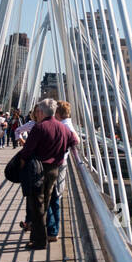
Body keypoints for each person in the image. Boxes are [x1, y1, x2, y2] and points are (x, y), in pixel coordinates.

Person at [18, 98, 79, 251]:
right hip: (54, 169)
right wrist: (62, 151)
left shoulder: (40, 128)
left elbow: (27, 151)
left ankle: (39, 241)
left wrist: (21, 164)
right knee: (46, 201)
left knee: (37, 204)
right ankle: (39, 236)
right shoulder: (63, 128)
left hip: (38, 169)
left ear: (43, 112)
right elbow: (75, 141)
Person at [46, 101, 76, 243]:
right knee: (54, 196)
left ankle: (53, 229)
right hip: (60, 162)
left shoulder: (63, 126)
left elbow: (75, 141)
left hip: (57, 163)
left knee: (53, 196)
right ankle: (53, 229)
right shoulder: (66, 125)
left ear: (57, 113)